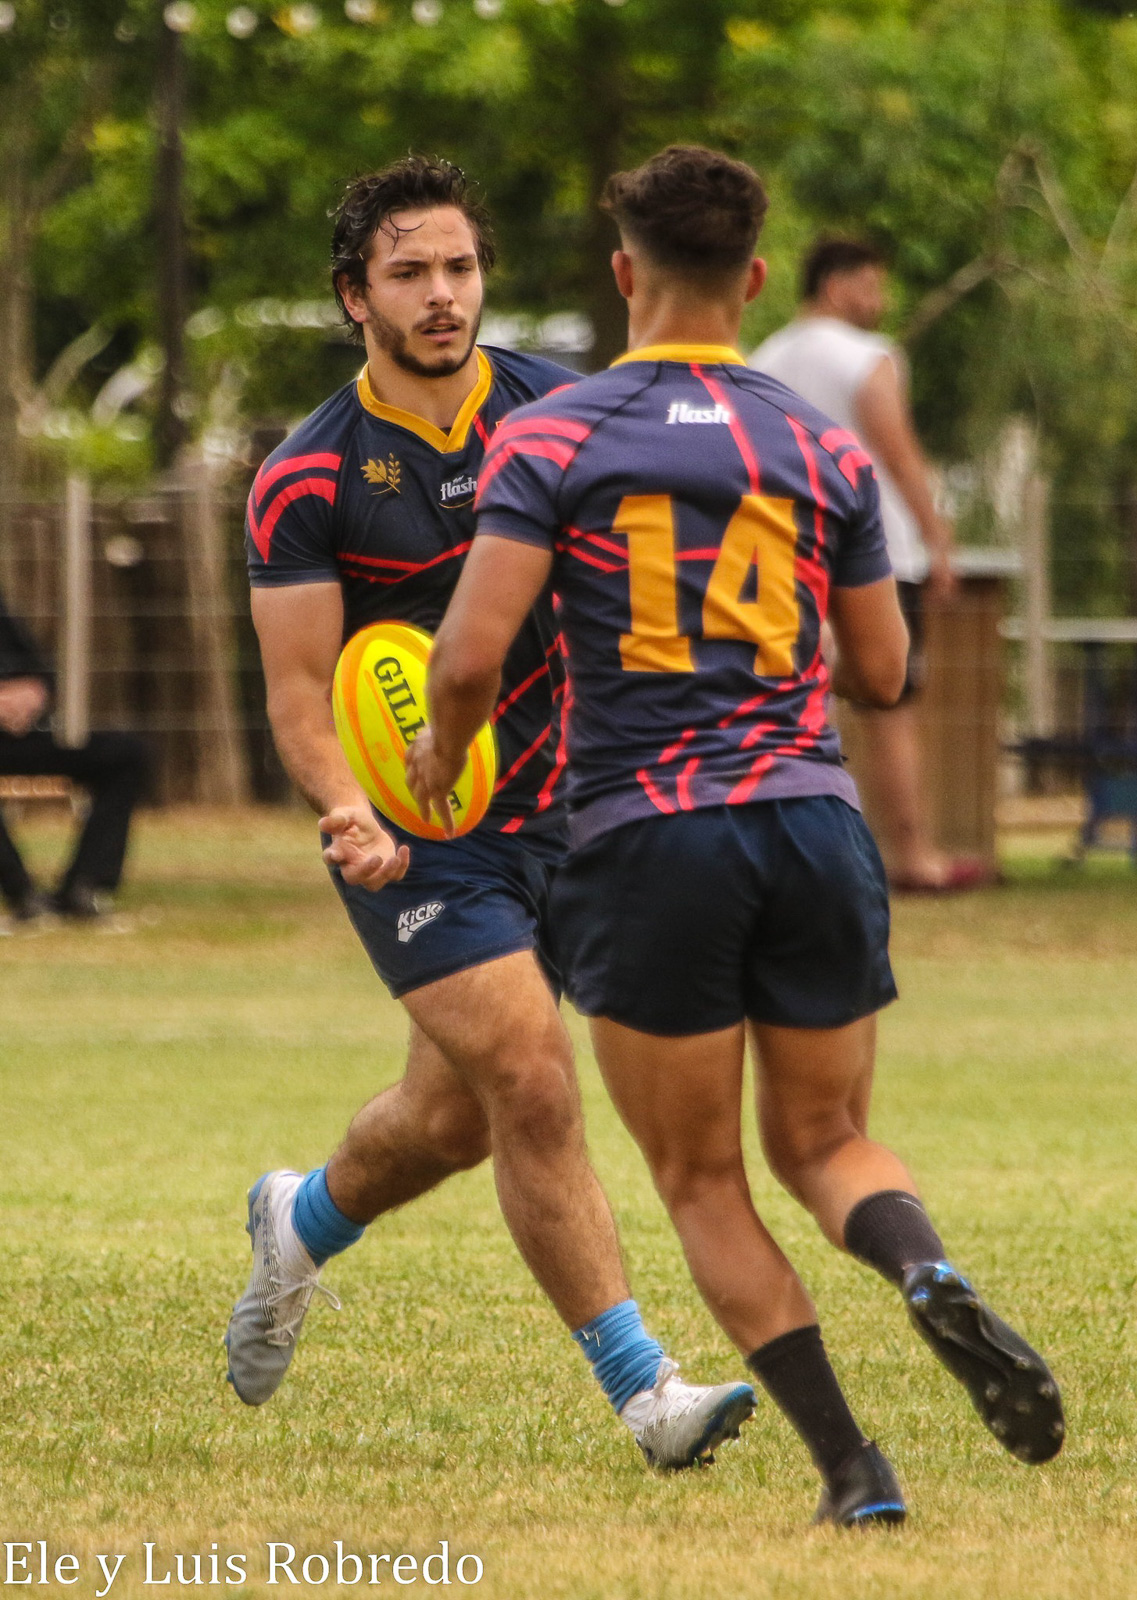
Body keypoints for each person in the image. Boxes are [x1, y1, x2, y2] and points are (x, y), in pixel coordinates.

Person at [408, 144, 1065, 1527]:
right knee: (826, 1142)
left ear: (621, 273)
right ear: (756, 278)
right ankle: (924, 1272)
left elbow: (470, 657)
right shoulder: (818, 445)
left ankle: (854, 1473)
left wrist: (440, 756)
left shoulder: (552, 434)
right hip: (814, 823)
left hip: (650, 838)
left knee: (701, 1179)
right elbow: (884, 672)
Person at [227, 154, 756, 1471]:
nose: (442, 294)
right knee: (530, 1076)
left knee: (453, 1123)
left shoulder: (565, 413)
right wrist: (348, 809)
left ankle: (299, 1221)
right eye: (408, 272)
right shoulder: (307, 479)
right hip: (410, 832)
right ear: (356, 297)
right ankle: (648, 1395)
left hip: (570, 808)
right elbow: (300, 697)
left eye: (458, 267)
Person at [751, 237, 985, 893]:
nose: (880, 299)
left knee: (789, 704)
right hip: (875, 553)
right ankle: (912, 853)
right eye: (871, 284)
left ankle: (792, 853)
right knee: (890, 703)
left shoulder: (760, 359)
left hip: (784, 550)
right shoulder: (867, 357)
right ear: (836, 284)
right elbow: (898, 453)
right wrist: (938, 537)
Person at [0, 584, 147, 922]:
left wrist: (33, 692)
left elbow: (39, 668)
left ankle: (84, 887)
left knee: (124, 754)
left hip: (19, 734)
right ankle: (20, 892)